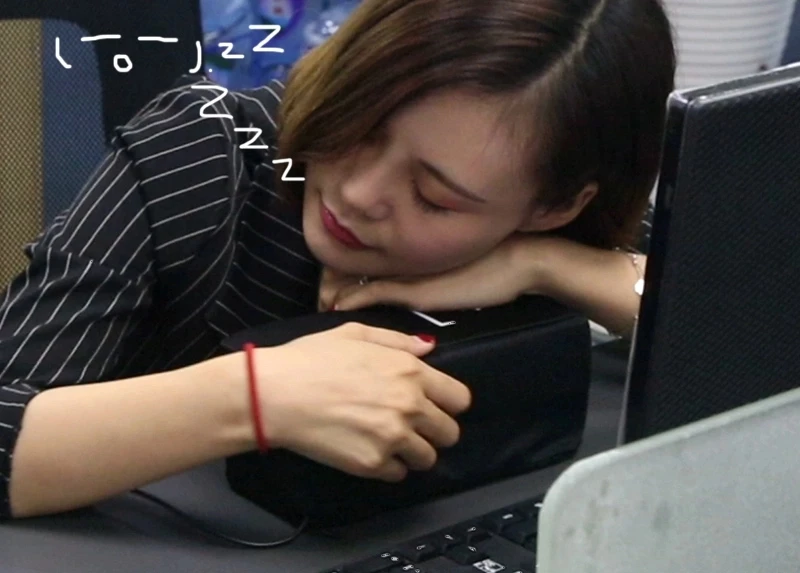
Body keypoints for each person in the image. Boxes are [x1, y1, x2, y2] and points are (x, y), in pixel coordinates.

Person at [0, 0, 675, 519]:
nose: (357, 194)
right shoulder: (203, 153)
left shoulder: (554, 212)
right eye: (361, 123)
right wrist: (255, 396)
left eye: (434, 198)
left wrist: (548, 266)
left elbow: (732, 332)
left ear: (551, 206)